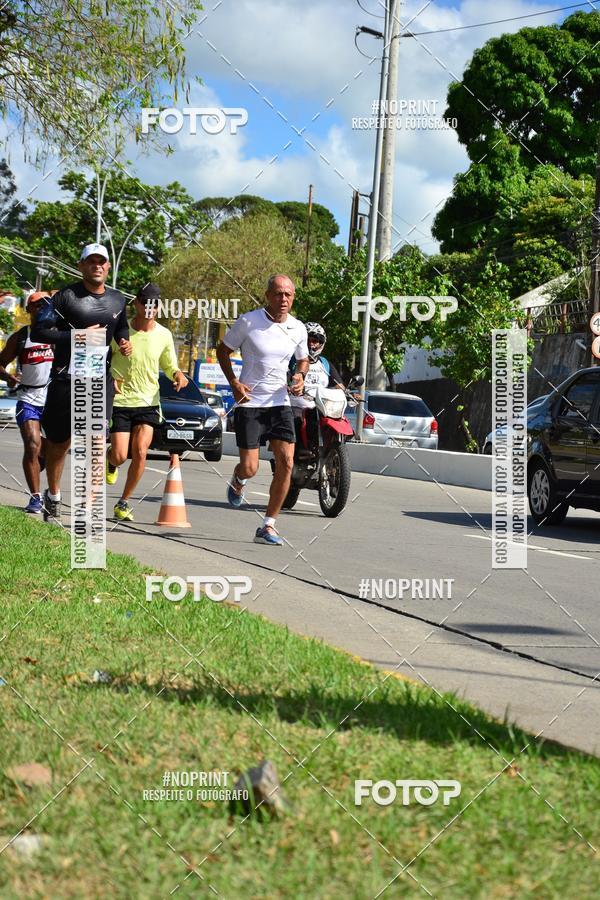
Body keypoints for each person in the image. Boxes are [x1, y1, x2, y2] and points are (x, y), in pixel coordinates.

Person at [30, 242, 132, 523]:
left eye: (102, 261)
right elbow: (39, 331)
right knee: (59, 445)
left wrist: (124, 341)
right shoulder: (64, 297)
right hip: (65, 379)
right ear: (81, 265)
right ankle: (53, 495)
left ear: (108, 267)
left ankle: (87, 509)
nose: (97, 265)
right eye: (91, 261)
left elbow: (120, 325)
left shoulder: (117, 299)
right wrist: (77, 337)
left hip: (99, 380)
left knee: (96, 443)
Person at [216, 274, 309, 546]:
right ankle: (238, 478)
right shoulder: (248, 321)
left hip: (280, 403)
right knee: (250, 467)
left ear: (293, 298)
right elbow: (222, 351)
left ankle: (268, 525)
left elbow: (302, 360)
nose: (283, 299)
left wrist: (300, 376)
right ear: (267, 296)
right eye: (278, 294)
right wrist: (234, 382)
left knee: (287, 463)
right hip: (250, 404)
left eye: (288, 295)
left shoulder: (298, 328)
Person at [107, 283, 188, 521]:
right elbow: (100, 356)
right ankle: (111, 460)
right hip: (121, 400)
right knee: (121, 455)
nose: (149, 307)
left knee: (140, 451)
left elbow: (170, 364)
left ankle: (123, 503)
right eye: (145, 302)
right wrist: (107, 378)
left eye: (154, 303)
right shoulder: (119, 331)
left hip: (149, 401)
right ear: (136, 304)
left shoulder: (164, 335)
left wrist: (178, 375)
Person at [0, 292, 54, 513]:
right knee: (32, 445)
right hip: (28, 398)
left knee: (51, 452)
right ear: (29, 309)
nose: (42, 308)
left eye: (46, 305)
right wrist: (9, 377)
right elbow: (0, 364)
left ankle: (50, 490)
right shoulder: (21, 337)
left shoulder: (57, 334)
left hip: (54, 401)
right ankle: (35, 497)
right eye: (37, 305)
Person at [288, 322, 346, 452]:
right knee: (295, 420)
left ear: (321, 343)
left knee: (341, 420)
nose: (311, 344)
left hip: (322, 406)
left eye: (315, 341)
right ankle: (295, 453)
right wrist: (288, 387)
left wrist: (348, 393)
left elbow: (339, 386)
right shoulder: (291, 361)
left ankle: (333, 450)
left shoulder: (325, 363)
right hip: (298, 404)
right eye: (308, 340)